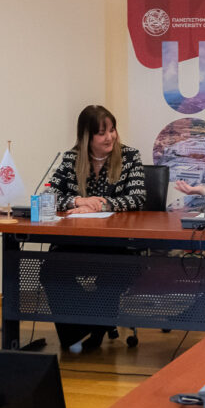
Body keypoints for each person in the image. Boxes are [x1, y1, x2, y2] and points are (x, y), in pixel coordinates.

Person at [42, 105, 147, 352]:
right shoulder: (71, 158)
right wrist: (77, 201)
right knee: (50, 270)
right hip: (77, 242)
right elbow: (48, 196)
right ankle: (79, 330)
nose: (110, 137)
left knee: (113, 271)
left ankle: (97, 325)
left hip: (117, 244)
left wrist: (102, 204)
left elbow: (138, 197)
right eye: (102, 133)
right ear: (86, 136)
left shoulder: (130, 157)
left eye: (112, 130)